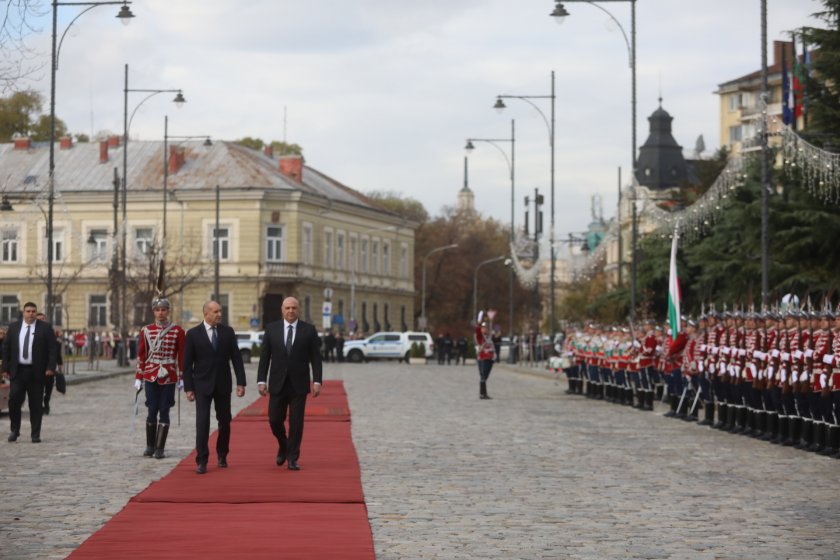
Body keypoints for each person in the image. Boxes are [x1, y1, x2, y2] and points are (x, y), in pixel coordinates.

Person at [257, 296, 322, 471]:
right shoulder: (271, 329)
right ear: (282, 309)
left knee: (296, 422)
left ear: (298, 309)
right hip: (277, 383)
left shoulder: (308, 330)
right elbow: (264, 358)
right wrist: (261, 380)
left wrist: (317, 381)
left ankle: (293, 457)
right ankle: (283, 444)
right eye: (287, 308)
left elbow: (316, 358)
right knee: (274, 419)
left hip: (299, 384)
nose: (291, 311)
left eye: (294, 308)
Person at [183, 300, 246, 474]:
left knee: (225, 421)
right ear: (206, 313)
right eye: (216, 311)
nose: (220, 314)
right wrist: (188, 387)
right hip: (201, 385)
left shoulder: (228, 332)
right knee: (202, 422)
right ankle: (201, 460)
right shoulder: (193, 334)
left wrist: (241, 382)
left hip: (223, 383)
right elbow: (187, 364)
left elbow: (236, 358)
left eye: (220, 311)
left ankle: (222, 454)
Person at [134, 298, 186, 459]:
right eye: (157, 310)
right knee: (152, 409)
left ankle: (160, 448)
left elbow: (182, 355)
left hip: (169, 376)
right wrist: (138, 376)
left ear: (168, 311)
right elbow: (141, 355)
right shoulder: (146, 330)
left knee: (164, 409)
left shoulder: (177, 331)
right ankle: (150, 446)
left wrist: (182, 376)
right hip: (151, 374)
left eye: (163, 309)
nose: (160, 313)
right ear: (153, 312)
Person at [2, 302, 58, 443]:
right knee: (14, 401)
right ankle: (15, 430)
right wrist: (5, 369)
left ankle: (35, 434)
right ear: (23, 312)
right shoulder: (14, 328)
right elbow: (6, 348)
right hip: (18, 371)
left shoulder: (45, 328)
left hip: (37, 373)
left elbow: (53, 348)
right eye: (28, 311)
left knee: (36, 404)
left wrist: (51, 367)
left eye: (33, 311)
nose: (31, 313)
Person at [35, 313, 64, 416]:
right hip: (36, 367)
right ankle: (38, 406)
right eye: (39, 319)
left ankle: (46, 403)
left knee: (48, 387)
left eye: (43, 319)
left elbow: (55, 350)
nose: (41, 321)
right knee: (37, 388)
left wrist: (60, 363)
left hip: (49, 366)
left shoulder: (51, 333)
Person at [474, 310, 496, 400]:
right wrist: (479, 322)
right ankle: (482, 394)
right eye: (483, 328)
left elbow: (492, 346)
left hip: (489, 358)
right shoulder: (480, 337)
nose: (484, 329)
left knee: (486, 376)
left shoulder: (488, 337)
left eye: (485, 328)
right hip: (483, 358)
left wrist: (493, 354)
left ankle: (483, 393)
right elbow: (477, 331)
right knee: (483, 376)